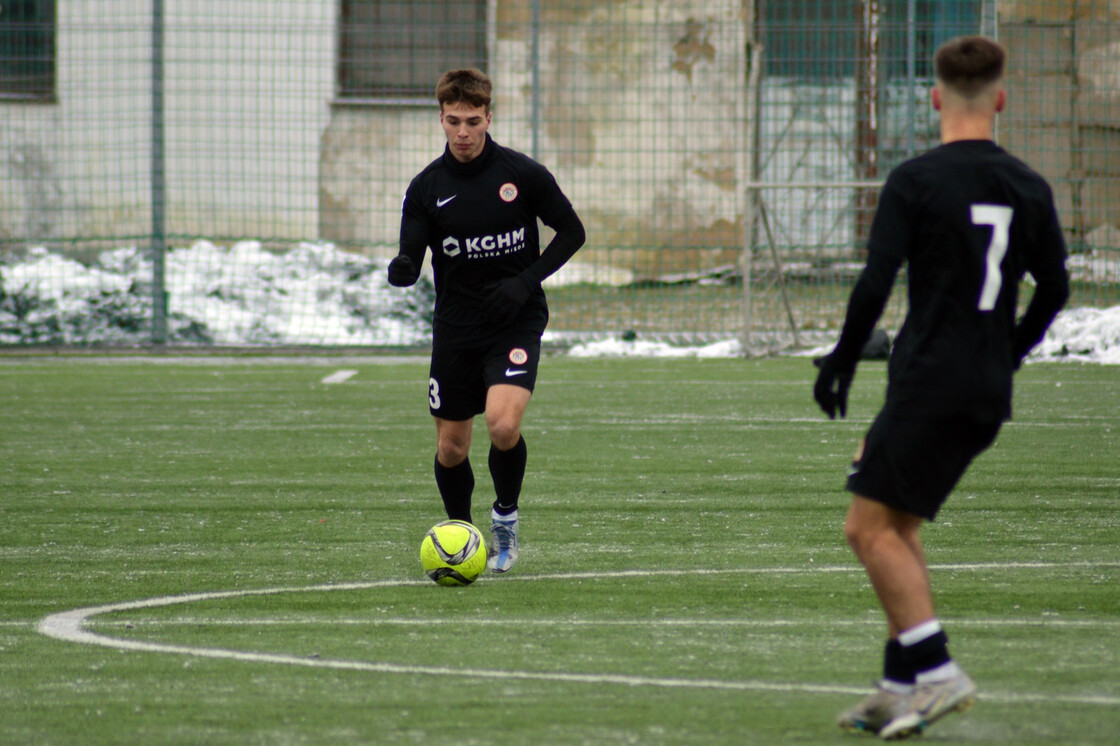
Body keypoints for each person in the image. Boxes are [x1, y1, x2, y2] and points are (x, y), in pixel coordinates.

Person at [813, 36, 1069, 740]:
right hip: (983, 388)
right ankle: (899, 686)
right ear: (1001, 99)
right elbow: (1056, 288)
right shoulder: (1028, 184)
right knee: (899, 525)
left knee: (865, 530)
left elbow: (875, 280)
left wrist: (840, 358)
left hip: (929, 380)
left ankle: (936, 669)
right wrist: (1007, 352)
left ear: (933, 98)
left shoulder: (917, 180)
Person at [387, 68, 585, 574]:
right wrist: (405, 267)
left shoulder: (522, 174)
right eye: (453, 121)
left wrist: (525, 282)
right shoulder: (427, 187)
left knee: (501, 425)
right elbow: (411, 252)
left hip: (515, 320)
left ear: (489, 117)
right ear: (441, 119)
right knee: (451, 448)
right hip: (455, 328)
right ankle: (462, 534)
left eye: (473, 121)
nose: (463, 132)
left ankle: (505, 519)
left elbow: (571, 232)